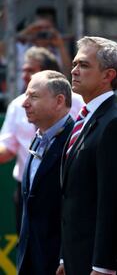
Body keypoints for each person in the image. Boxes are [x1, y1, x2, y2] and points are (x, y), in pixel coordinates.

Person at [58, 36, 117, 275]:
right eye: (74, 64)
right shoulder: (86, 117)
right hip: (77, 257)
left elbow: (113, 202)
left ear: (108, 75)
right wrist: (65, 257)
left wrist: (103, 266)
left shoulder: (115, 124)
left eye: (83, 65)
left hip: (96, 264)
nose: (74, 71)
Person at [0, 46, 83, 236]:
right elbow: (8, 148)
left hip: (63, 191)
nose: (24, 75)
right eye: (23, 70)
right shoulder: (17, 105)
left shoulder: (77, 103)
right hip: (26, 190)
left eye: (30, 70)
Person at [17, 70, 74, 275]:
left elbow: (74, 208)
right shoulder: (38, 137)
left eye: (33, 96)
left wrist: (65, 256)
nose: (25, 103)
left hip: (58, 264)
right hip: (30, 258)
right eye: (26, 95)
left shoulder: (74, 141)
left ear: (59, 101)